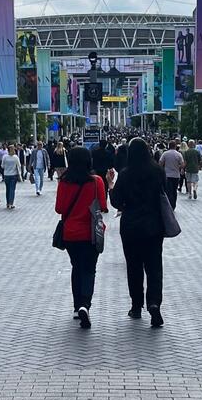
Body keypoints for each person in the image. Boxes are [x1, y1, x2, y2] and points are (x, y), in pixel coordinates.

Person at [110, 137, 166, 327]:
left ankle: (136, 305)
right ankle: (154, 302)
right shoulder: (157, 171)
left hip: (131, 226)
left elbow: (117, 202)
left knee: (134, 267)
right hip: (154, 225)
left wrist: (111, 186)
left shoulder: (126, 174)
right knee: (154, 267)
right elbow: (166, 195)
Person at [55, 146, 107, 329]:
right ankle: (85, 303)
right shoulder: (96, 181)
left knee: (76, 267)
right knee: (89, 269)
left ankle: (77, 306)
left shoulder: (64, 181)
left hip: (70, 233)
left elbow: (59, 208)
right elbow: (102, 206)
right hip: (91, 233)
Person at [159, 140, 185, 211]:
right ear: (175, 146)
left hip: (167, 175)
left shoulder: (165, 154)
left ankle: (169, 204)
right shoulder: (178, 154)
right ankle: (173, 205)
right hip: (176, 175)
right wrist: (178, 167)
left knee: (168, 191)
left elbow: (160, 163)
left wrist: (163, 169)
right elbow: (182, 164)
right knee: (174, 190)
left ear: (169, 146)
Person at [2, 143, 21, 209]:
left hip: (6, 174)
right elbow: (19, 166)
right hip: (14, 175)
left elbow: (2, 166)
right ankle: (11, 203)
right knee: (12, 189)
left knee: (7, 189)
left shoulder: (5, 157)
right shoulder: (16, 157)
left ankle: (7, 203)